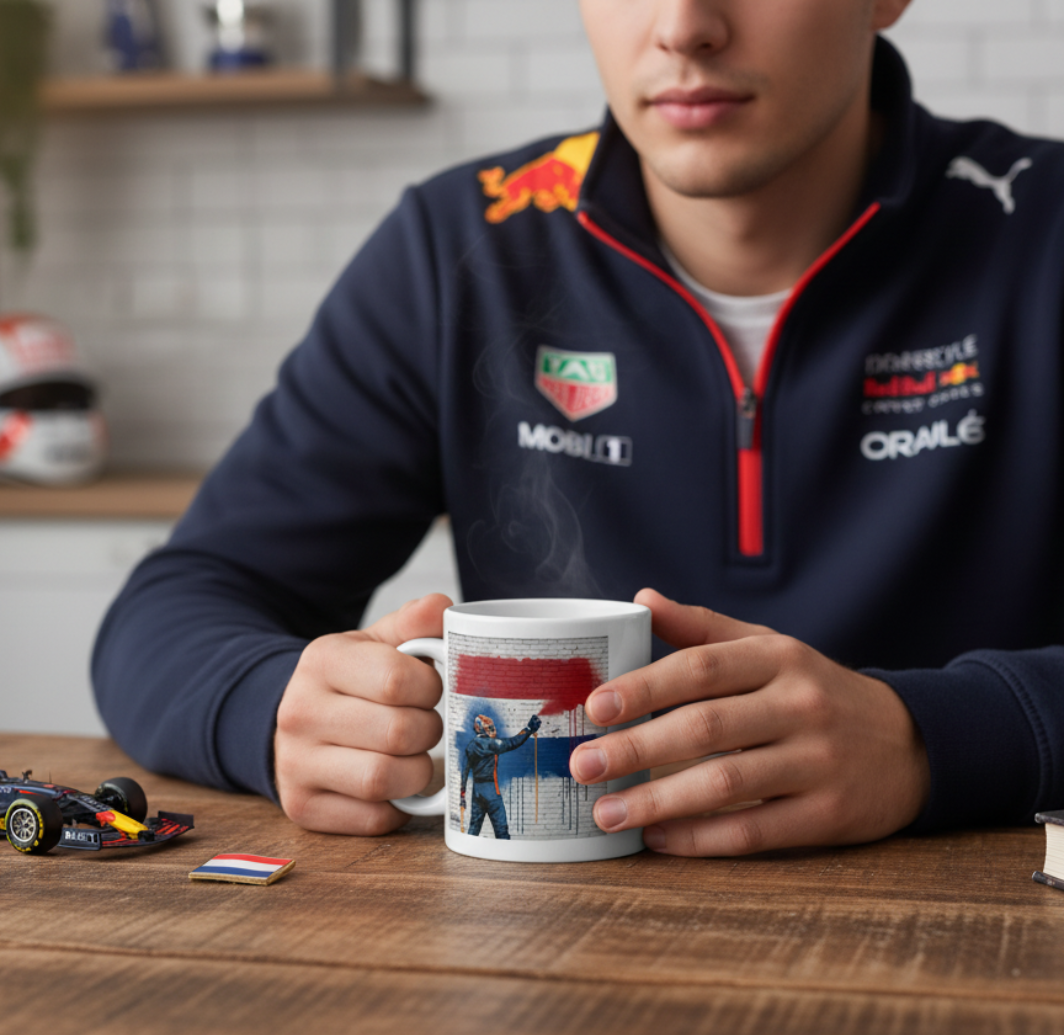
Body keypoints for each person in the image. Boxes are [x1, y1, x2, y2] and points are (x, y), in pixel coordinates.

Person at [93, 0, 1064, 856]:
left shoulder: (1042, 228)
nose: (684, 25)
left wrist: (930, 738)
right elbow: (174, 608)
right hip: (534, 954)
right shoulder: (463, 247)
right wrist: (272, 707)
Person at [460, 713, 542, 838]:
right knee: (501, 828)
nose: (493, 730)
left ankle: (467, 847)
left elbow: (464, 771)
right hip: (491, 790)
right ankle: (506, 852)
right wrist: (529, 729)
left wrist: (462, 795)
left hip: (476, 791)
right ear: (482, 729)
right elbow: (512, 742)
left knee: (474, 826)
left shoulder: (471, 746)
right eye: (490, 727)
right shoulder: (490, 744)